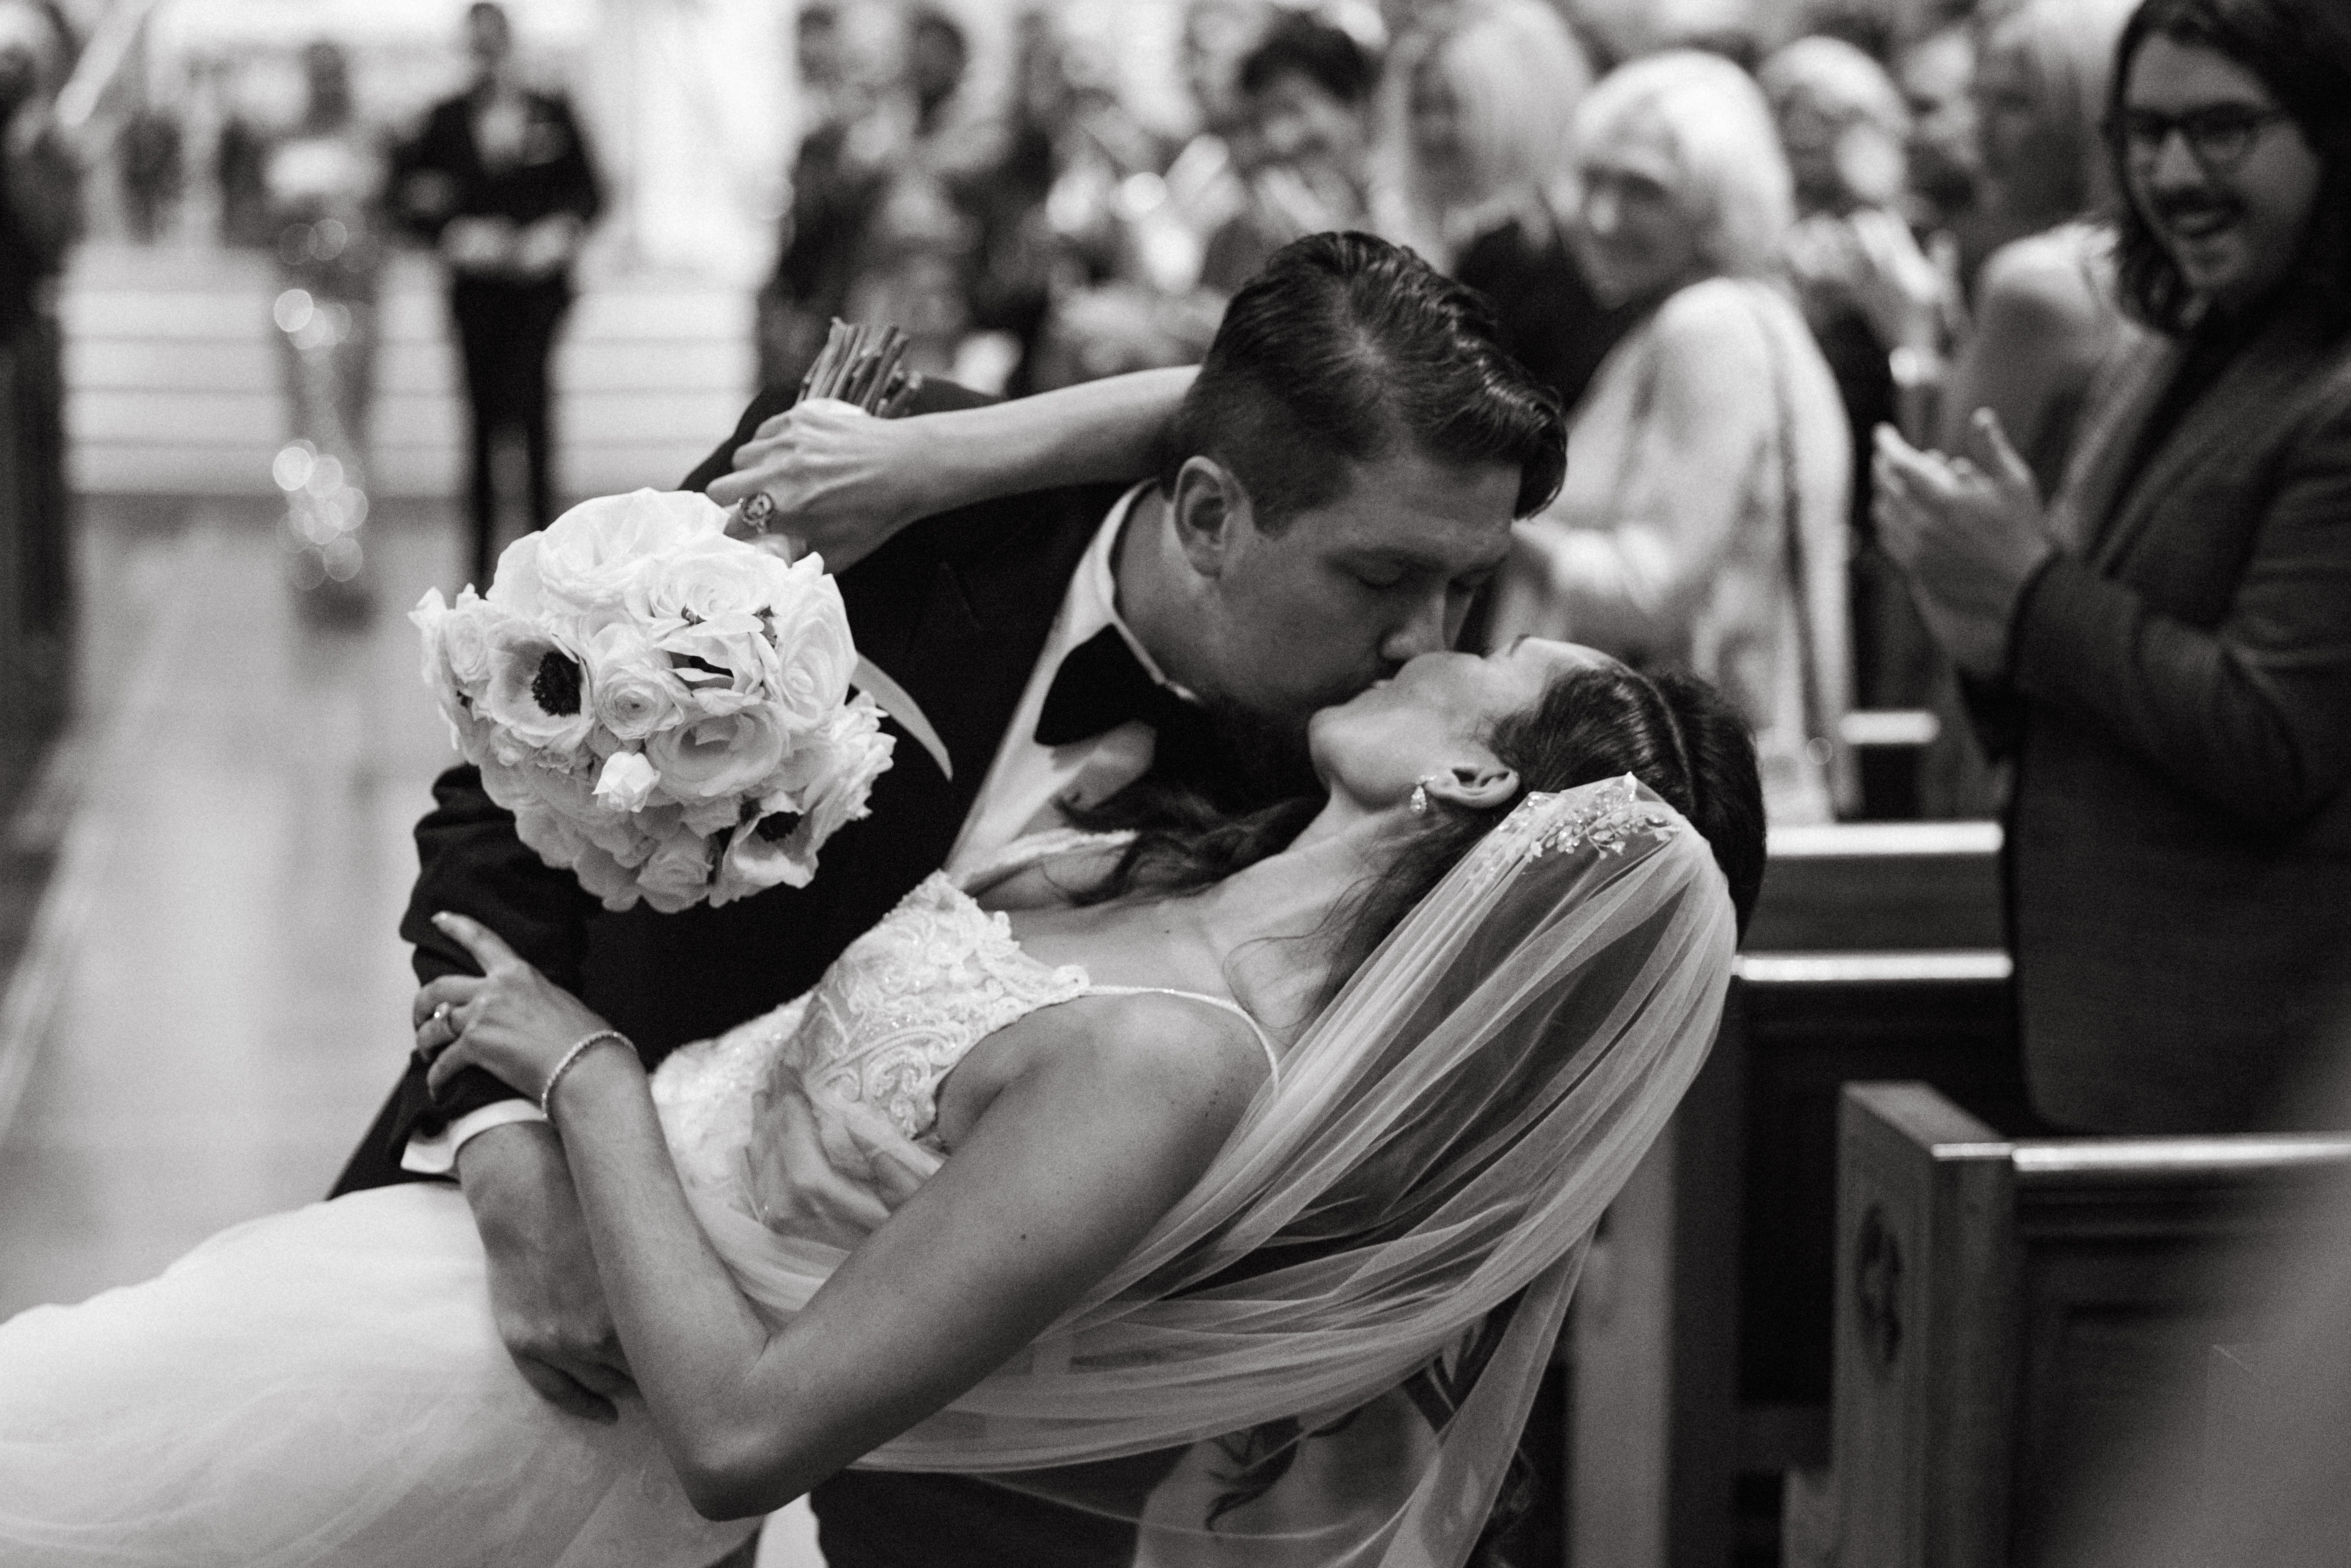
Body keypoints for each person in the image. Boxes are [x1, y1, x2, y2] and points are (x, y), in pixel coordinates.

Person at [330, 232, 1566, 1565]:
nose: (1427, 641)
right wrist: (513, 1165)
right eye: (1383, 578)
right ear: (1207, 515)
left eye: (1462, 582)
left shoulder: (1347, 800)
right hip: (501, 1267)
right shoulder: (885, 494)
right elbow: (500, 805)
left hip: (877, 1467)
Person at [0, 634, 1762, 1566]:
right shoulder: (1173, 863)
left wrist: (584, 1073)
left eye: (1489, 659)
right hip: (431, 1297)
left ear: (1466, 770)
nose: (1431, 640)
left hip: (524, 1410)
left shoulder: (1174, 1060)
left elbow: (745, 1439)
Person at [1873, 0, 2351, 1135]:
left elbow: (2273, 737)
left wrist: (2030, 593)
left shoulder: (2333, 399)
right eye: (2143, 135)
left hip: (2246, 1081)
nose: (2172, 174)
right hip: (2100, 1035)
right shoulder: (2168, 342)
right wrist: (1988, 643)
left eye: (2221, 130)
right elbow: (2084, 696)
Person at [1490, 51, 1856, 824]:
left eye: (1644, 189)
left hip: (1692, 803)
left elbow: (1644, 591)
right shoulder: (1736, 315)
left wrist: (1487, 513)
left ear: (1718, 203)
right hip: (1708, 794)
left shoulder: (1709, 327)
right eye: (1593, 178)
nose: (1602, 216)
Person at [389, 1, 602, 592]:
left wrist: (556, 235)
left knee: (535, 420)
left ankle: (547, 567)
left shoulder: (551, 111)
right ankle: (479, 572)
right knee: (480, 429)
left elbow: (590, 192)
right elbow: (408, 198)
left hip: (537, 297)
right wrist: (458, 236)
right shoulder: (444, 120)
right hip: (477, 297)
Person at [1377, 0, 1640, 418]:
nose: (1431, 130)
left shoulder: (1519, 251)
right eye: (1421, 107)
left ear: (1513, 109)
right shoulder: (1521, 238)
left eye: (1453, 106)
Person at [1935, 0, 2141, 495]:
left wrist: (1911, 337)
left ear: (2095, 110)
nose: (1978, 131)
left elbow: (1938, 518)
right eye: (1976, 98)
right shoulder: (2147, 259)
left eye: (2014, 102)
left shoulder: (2039, 283)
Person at [265, 40, 389, 610]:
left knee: (349, 432)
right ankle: (311, 559)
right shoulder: (283, 138)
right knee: (307, 437)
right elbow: (259, 220)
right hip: (300, 299)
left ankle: (350, 560)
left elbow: (382, 224)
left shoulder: (368, 138)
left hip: (353, 302)